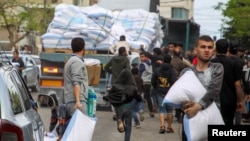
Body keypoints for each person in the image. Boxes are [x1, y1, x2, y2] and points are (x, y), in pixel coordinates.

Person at [180, 35, 224, 141]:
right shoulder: (186, 73)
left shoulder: (217, 68)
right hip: (191, 121)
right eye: (203, 47)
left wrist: (197, 106)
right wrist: (186, 105)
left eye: (209, 47)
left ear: (213, 51)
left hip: (213, 119)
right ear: (196, 50)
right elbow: (181, 98)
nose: (206, 50)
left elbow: (214, 91)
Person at [103, 69, 143, 141]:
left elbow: (110, 95)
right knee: (128, 127)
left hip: (118, 108)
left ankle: (119, 120)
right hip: (127, 107)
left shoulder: (115, 86)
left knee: (121, 124)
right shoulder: (132, 88)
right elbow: (139, 98)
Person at [211, 39, 243, 125]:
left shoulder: (211, 63)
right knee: (228, 122)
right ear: (227, 49)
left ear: (216, 49)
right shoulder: (233, 64)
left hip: (213, 99)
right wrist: (240, 100)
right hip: (230, 100)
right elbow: (237, 84)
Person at [151, 54, 177, 134]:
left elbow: (153, 80)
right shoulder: (172, 71)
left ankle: (162, 126)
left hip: (159, 91)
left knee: (161, 109)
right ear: (170, 61)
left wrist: (156, 87)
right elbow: (173, 81)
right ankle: (169, 127)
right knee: (169, 110)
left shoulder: (158, 70)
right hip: (169, 92)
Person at [63, 37, 89, 116]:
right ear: (83, 48)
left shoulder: (71, 60)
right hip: (77, 101)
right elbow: (76, 82)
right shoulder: (77, 61)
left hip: (71, 100)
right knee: (82, 127)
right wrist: (78, 101)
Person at [105, 47, 131, 120]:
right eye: (125, 51)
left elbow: (106, 67)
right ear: (123, 52)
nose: (126, 52)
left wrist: (112, 72)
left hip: (114, 82)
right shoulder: (126, 59)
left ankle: (114, 113)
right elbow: (128, 71)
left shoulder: (113, 59)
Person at [227, 40, 245, 125]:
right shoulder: (241, 62)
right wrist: (247, 91)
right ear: (237, 50)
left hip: (226, 88)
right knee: (238, 111)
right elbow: (244, 78)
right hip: (238, 88)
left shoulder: (226, 61)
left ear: (228, 49)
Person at [138, 51, 155, 117]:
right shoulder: (151, 64)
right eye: (140, 57)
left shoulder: (142, 65)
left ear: (146, 57)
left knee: (141, 96)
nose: (141, 58)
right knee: (148, 97)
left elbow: (139, 74)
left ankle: (141, 110)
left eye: (142, 56)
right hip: (149, 82)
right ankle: (151, 111)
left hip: (143, 82)